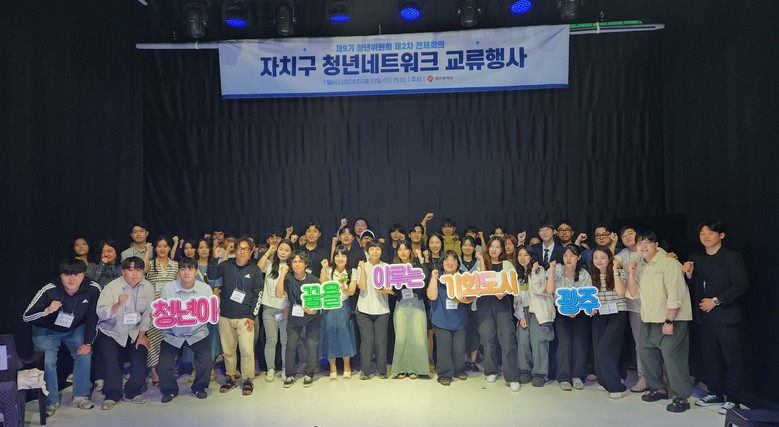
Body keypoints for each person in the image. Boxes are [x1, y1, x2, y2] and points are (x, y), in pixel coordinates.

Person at [684, 220, 749, 414]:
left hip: (726, 316)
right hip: (704, 317)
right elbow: (693, 285)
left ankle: (734, 399)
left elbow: (740, 285)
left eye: (710, 233)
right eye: (702, 233)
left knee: (732, 358)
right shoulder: (697, 258)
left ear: (721, 235)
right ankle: (715, 392)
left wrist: (716, 301)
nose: (706, 236)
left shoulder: (732, 257)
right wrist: (689, 275)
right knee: (710, 357)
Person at [626, 231, 693, 413]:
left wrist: (669, 320)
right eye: (640, 243)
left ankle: (681, 397)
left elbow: (675, 294)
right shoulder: (640, 266)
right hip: (649, 318)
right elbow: (633, 293)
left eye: (647, 242)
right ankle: (658, 389)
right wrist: (631, 274)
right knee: (647, 355)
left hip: (671, 319)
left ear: (656, 244)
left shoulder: (669, 263)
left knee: (674, 359)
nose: (643, 246)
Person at [23, 258, 101, 415]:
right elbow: (26, 317)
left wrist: (88, 343)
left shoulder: (93, 289)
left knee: (84, 354)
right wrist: (46, 311)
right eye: (67, 274)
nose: (71, 279)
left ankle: (80, 396)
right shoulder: (49, 290)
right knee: (48, 362)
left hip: (75, 328)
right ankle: (50, 401)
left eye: (76, 274)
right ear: (61, 275)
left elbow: (94, 317)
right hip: (46, 331)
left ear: (83, 275)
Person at [95, 257, 154, 410]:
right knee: (110, 360)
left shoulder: (148, 287)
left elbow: (148, 313)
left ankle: (133, 391)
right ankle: (112, 394)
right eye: (130, 269)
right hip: (111, 330)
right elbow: (101, 313)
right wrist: (118, 304)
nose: (135, 274)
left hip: (135, 330)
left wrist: (142, 335)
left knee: (140, 354)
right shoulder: (112, 287)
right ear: (123, 271)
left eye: (138, 270)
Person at [209, 237, 263, 396]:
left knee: (246, 350)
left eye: (245, 249)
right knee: (228, 350)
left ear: (251, 252)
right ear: (235, 250)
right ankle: (231, 377)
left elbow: (258, 294)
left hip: (245, 317)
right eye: (239, 248)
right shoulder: (226, 265)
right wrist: (215, 258)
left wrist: (252, 316)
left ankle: (247, 379)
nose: (241, 252)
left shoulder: (255, 270)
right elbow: (212, 275)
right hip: (225, 315)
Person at [158, 257, 214, 403]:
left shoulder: (205, 289)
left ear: (196, 271)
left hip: (197, 332)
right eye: (183, 269)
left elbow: (209, 311)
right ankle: (169, 390)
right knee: (163, 364)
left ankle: (199, 387)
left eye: (190, 269)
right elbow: (163, 310)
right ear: (178, 272)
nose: (186, 272)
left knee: (206, 361)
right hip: (173, 333)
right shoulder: (168, 288)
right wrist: (159, 315)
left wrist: (213, 311)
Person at [476, 236, 521, 392]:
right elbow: (480, 281)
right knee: (488, 339)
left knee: (507, 339)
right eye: (492, 246)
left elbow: (513, 283)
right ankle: (491, 371)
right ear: (488, 248)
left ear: (502, 249)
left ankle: (512, 377)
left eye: (497, 247)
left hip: (502, 304)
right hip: (485, 304)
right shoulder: (482, 263)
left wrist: (505, 291)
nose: (494, 249)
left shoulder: (507, 264)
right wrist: (481, 260)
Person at [546, 245, 592, 391]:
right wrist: (551, 270)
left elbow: (587, 295)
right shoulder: (557, 269)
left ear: (578, 257)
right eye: (566, 255)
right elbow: (550, 290)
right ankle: (563, 377)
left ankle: (577, 376)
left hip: (580, 313)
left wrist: (575, 308)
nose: (568, 258)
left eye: (572, 255)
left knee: (579, 343)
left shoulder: (584, 274)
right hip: (561, 313)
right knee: (564, 343)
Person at [428, 251, 473, 386]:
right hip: (441, 319)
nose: (450, 263)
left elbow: (473, 295)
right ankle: (444, 374)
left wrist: (466, 300)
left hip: (459, 320)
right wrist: (434, 277)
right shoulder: (437, 276)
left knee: (459, 348)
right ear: (442, 263)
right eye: (446, 260)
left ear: (458, 264)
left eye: (453, 260)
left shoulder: (464, 277)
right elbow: (431, 296)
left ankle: (458, 370)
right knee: (444, 347)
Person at [590, 246, 629, 399]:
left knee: (604, 349)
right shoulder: (592, 275)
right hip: (600, 314)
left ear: (609, 259)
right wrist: (590, 308)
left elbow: (621, 292)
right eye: (595, 258)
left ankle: (617, 386)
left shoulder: (618, 272)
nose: (598, 261)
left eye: (602, 257)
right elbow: (591, 298)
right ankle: (604, 380)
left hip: (617, 313)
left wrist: (614, 271)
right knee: (597, 348)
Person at [278, 251, 322, 388]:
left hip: (312, 317)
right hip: (294, 317)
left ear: (306, 264)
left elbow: (320, 300)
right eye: (294, 262)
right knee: (291, 345)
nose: (297, 264)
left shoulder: (313, 279)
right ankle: (290, 374)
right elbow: (278, 294)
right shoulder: (288, 278)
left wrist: (314, 309)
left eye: (300, 261)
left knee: (311, 344)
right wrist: (282, 274)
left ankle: (309, 373)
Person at [513, 245, 554, 388]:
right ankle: (525, 371)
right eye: (520, 255)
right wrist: (520, 316)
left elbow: (540, 290)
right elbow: (516, 297)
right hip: (523, 310)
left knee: (539, 342)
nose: (522, 258)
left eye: (525, 255)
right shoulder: (517, 273)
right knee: (522, 341)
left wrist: (534, 272)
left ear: (531, 256)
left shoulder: (540, 270)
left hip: (538, 311)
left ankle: (539, 374)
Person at [389, 240, 429, 379]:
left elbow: (426, 277)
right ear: (397, 252)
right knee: (401, 336)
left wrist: (421, 259)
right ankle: (401, 368)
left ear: (410, 250)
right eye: (400, 249)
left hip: (416, 302)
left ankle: (415, 369)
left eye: (405, 249)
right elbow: (393, 289)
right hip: (401, 303)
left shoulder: (417, 265)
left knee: (418, 336)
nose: (403, 252)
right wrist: (389, 291)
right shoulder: (393, 268)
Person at [143, 235, 179, 386]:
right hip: (154, 310)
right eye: (159, 246)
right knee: (153, 340)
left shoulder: (175, 265)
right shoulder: (150, 264)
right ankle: (154, 370)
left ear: (170, 247)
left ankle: (167, 368)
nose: (162, 249)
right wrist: (147, 251)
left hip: (171, 310)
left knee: (170, 340)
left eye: (165, 246)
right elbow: (142, 270)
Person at [318, 246, 358, 380]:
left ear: (347, 258)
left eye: (343, 256)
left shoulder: (352, 271)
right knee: (330, 335)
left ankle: (347, 366)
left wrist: (345, 290)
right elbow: (323, 284)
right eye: (337, 256)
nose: (340, 258)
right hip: (329, 306)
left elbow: (352, 291)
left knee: (345, 335)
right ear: (333, 257)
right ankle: (332, 367)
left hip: (344, 305)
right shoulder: (329, 270)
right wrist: (324, 268)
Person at [257, 239, 293, 382]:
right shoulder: (270, 264)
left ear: (291, 253)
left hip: (285, 309)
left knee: (285, 341)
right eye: (281, 249)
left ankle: (285, 368)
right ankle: (270, 369)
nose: (283, 252)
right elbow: (258, 268)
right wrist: (268, 251)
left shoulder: (292, 268)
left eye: (286, 250)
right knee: (271, 340)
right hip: (269, 308)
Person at [356, 240, 391, 379]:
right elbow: (362, 287)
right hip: (364, 309)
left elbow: (390, 288)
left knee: (381, 341)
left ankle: (382, 370)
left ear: (381, 251)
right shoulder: (362, 266)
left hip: (382, 309)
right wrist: (362, 269)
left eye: (377, 249)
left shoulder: (386, 267)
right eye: (372, 249)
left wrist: (388, 290)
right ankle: (365, 371)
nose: (375, 252)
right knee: (367, 341)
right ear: (367, 251)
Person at [459, 235, 481, 373]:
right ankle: (464, 360)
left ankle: (473, 361)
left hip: (476, 303)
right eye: (465, 245)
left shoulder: (478, 262)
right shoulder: (456, 261)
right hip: (460, 303)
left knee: (475, 332)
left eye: (470, 245)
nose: (467, 247)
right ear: (461, 247)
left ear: (474, 248)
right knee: (462, 332)